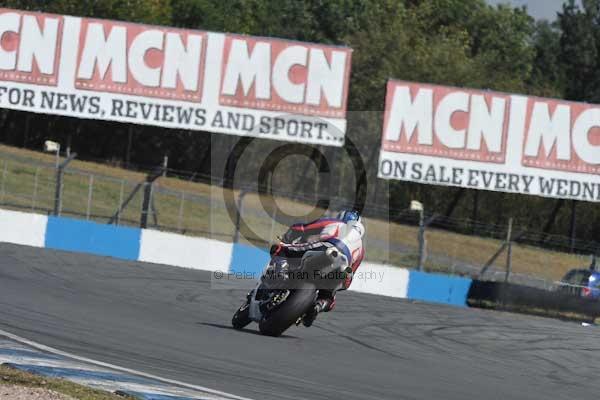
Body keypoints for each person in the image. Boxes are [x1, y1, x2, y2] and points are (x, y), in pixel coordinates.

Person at [275, 210, 365, 327]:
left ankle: (281, 270)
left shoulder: (335, 223)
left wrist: (286, 239)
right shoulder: (361, 250)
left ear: (342, 218)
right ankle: (318, 306)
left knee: (285, 249)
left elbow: (302, 228)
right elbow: (348, 280)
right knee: (329, 297)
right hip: (343, 267)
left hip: (326, 248)